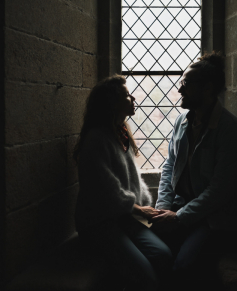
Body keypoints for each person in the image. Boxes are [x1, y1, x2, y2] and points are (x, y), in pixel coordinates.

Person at [151, 52, 237, 288]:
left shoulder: (229, 129)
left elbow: (219, 192)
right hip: (179, 207)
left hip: (211, 220)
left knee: (184, 265)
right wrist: (163, 208)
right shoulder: (181, 121)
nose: (180, 89)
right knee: (151, 251)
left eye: (186, 84)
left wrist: (180, 217)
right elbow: (169, 167)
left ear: (207, 88)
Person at [73, 75, 172, 291]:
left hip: (123, 217)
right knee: (145, 276)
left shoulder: (121, 133)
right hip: (99, 223)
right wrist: (140, 210)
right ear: (112, 103)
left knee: (163, 255)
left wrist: (145, 207)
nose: (133, 97)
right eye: (127, 95)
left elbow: (132, 179)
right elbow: (106, 191)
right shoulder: (96, 139)